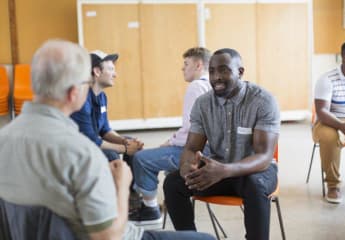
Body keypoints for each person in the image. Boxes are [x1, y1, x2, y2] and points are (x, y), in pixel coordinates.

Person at [0, 39, 216, 240]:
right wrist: (122, 186)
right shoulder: (81, 154)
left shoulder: (4, 139)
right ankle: (145, 209)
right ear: (74, 92)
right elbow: (109, 235)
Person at [163, 48, 280, 240]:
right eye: (212, 71)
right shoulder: (202, 104)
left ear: (240, 72)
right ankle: (190, 238)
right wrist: (187, 168)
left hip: (254, 171)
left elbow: (264, 157)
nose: (216, 77)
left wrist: (225, 170)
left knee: (255, 185)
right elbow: (192, 147)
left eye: (224, 70)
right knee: (173, 183)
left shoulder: (263, 101)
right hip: (216, 170)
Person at [129, 47, 212, 226]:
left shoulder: (196, 86)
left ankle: (150, 209)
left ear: (198, 65)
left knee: (141, 158)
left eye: (186, 64)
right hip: (211, 151)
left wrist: (170, 142)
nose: (183, 68)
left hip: (196, 152)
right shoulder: (212, 85)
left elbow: (192, 129)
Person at [71, 50, 143, 162]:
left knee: (130, 141)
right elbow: (90, 139)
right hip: (77, 149)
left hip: (91, 142)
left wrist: (124, 141)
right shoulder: (82, 99)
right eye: (111, 69)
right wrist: (124, 148)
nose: (115, 74)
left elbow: (104, 130)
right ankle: (118, 179)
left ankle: (129, 179)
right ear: (97, 71)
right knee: (111, 155)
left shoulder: (102, 96)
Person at [313, 40, 345, 204]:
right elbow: (322, 112)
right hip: (330, 121)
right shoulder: (327, 79)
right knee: (329, 137)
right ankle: (333, 186)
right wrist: (341, 126)